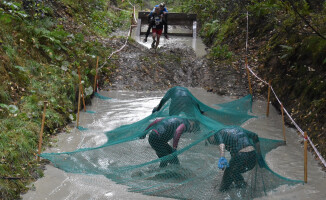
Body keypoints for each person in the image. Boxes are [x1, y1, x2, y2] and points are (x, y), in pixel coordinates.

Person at [207, 127, 265, 192]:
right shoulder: (238, 128)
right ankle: (241, 187)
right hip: (253, 157)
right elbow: (255, 136)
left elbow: (221, 145)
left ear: (211, 136)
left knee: (224, 185)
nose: (214, 143)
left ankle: (235, 189)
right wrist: (259, 155)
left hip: (241, 156)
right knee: (233, 172)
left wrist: (222, 158)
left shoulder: (217, 133)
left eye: (211, 141)